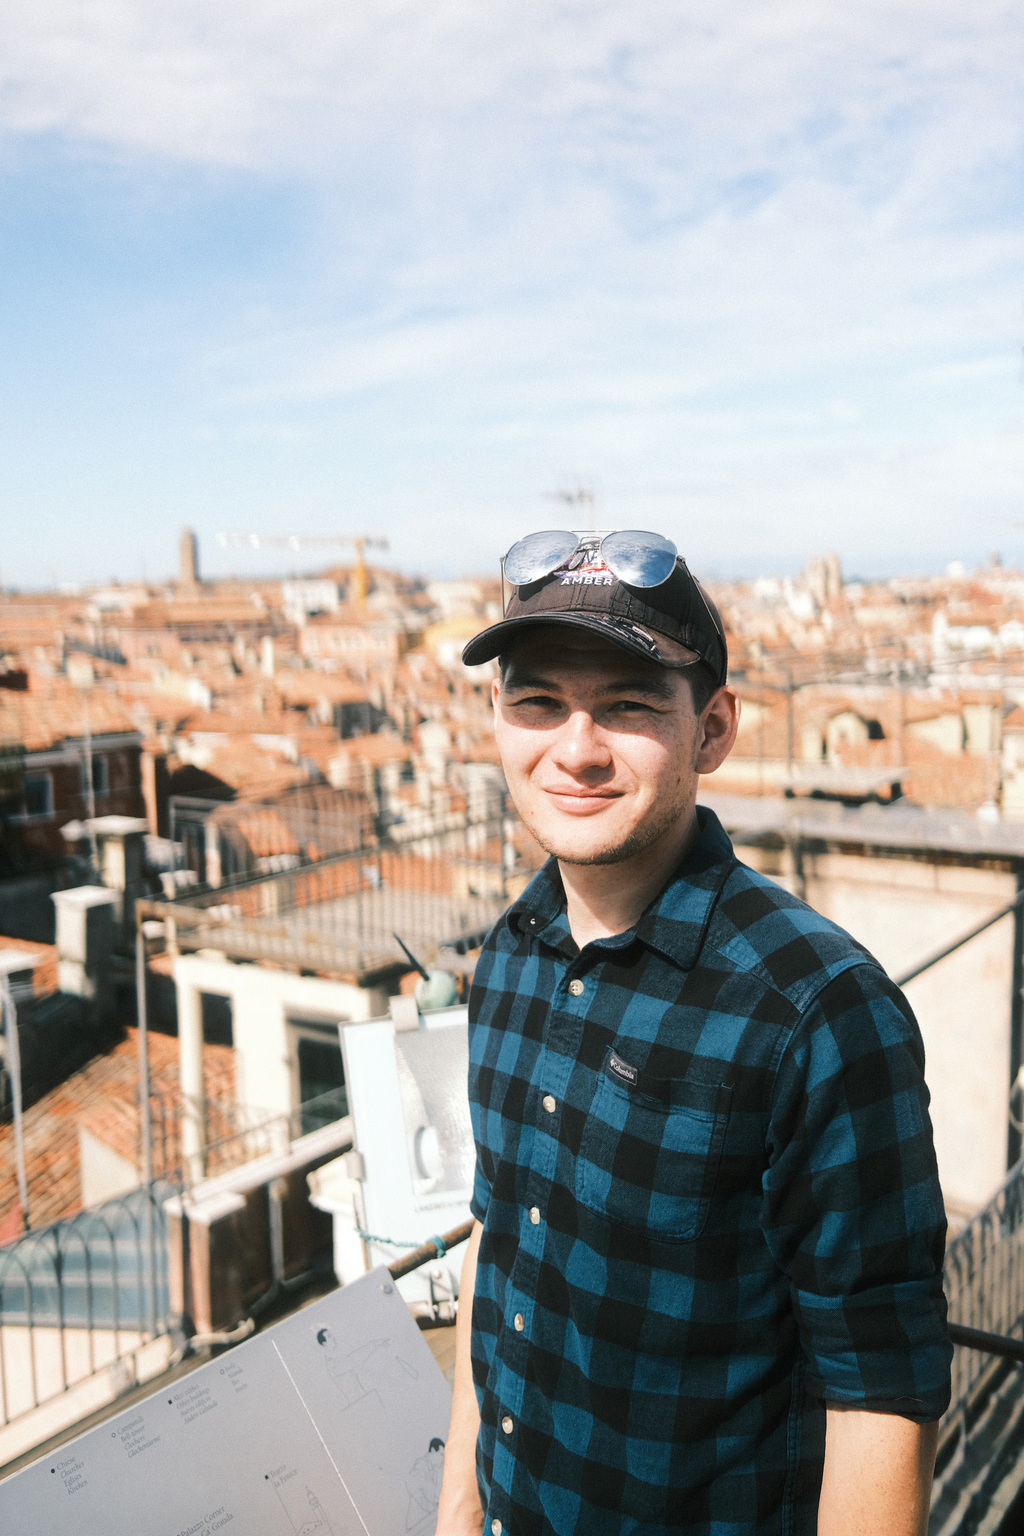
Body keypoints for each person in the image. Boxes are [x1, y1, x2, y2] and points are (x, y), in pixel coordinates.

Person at [436, 529, 952, 1536]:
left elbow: (878, 1388)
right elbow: (500, 1253)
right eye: (538, 701)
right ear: (496, 719)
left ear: (712, 730)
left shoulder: (818, 1010)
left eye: (628, 707)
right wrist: (458, 1517)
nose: (575, 748)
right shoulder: (507, 956)